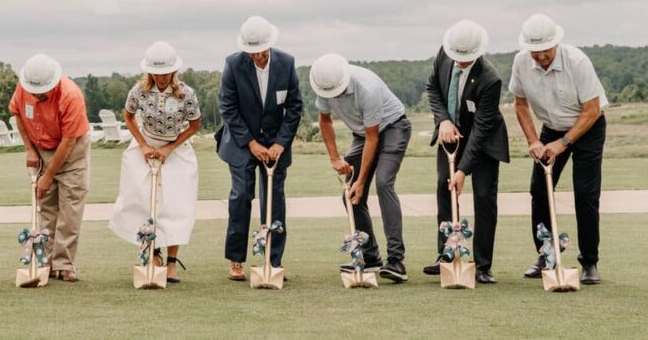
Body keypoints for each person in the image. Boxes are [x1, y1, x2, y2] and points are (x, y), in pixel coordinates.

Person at [510, 14, 608, 285]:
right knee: (539, 191)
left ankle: (589, 261)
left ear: (556, 43)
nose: (541, 58)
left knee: (585, 194)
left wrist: (564, 143)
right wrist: (533, 140)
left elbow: (592, 110)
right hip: (550, 129)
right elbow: (520, 105)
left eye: (545, 52)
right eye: (535, 53)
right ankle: (546, 254)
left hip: (587, 128)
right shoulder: (520, 62)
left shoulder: (577, 62)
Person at [216, 16, 303, 282]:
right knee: (241, 195)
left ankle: (273, 260)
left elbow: (295, 107)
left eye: (261, 51)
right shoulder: (233, 64)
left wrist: (279, 143)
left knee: (274, 200)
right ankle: (236, 260)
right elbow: (227, 108)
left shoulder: (286, 63)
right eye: (252, 53)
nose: (258, 57)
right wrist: (251, 143)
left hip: (276, 141)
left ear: (270, 45)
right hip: (242, 142)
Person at [311, 53, 411, 282]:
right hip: (362, 134)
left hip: (393, 128)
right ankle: (370, 255)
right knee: (350, 196)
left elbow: (373, 138)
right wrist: (335, 158)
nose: (333, 96)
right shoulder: (323, 84)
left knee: (383, 183)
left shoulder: (367, 87)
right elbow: (325, 121)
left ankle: (396, 261)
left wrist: (361, 181)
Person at [422, 20, 509, 284]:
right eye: (456, 57)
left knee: (484, 196)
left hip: (483, 142)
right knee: (443, 188)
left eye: (465, 59)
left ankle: (482, 265)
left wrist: (462, 170)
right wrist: (443, 121)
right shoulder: (444, 54)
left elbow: (481, 130)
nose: (459, 62)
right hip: (450, 134)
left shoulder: (490, 79)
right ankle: (446, 255)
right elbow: (433, 89)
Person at [108, 41, 201, 283]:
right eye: (157, 73)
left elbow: (195, 125)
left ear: (174, 71)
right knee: (143, 201)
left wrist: (170, 147)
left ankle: (171, 263)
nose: (161, 78)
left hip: (175, 148)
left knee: (176, 204)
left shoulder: (186, 93)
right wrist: (142, 144)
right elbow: (128, 116)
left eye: (166, 73)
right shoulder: (139, 90)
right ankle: (153, 254)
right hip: (146, 146)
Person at [9, 54, 91, 282]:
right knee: (47, 208)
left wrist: (49, 175)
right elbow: (18, 115)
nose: (36, 96)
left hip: (72, 152)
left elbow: (69, 141)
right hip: (41, 147)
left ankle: (64, 264)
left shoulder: (70, 95)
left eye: (41, 92)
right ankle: (43, 261)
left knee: (70, 209)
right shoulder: (24, 88)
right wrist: (30, 150)